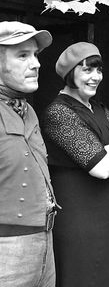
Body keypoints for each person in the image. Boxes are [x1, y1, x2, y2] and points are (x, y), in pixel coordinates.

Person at [41, 42, 109, 287]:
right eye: (87, 70)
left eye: (98, 70)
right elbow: (103, 169)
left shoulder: (98, 108)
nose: (96, 77)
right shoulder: (59, 113)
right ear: (69, 74)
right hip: (81, 221)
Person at [0, 21, 56, 287]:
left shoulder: (28, 110)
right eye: (22, 55)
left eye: (34, 55)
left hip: (45, 240)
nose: (36, 64)